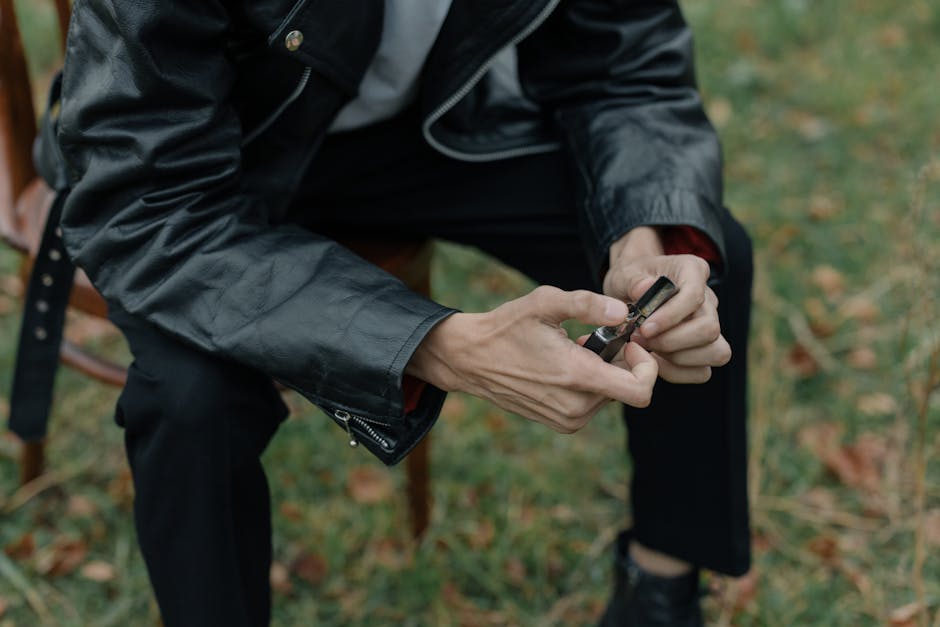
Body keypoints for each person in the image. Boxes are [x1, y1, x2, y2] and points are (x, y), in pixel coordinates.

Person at [51, 0, 753, 624]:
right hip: (202, 172)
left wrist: (645, 237)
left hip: (409, 132)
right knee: (189, 397)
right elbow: (148, 204)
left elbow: (625, 63)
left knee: (693, 243)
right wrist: (439, 345)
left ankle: (660, 591)